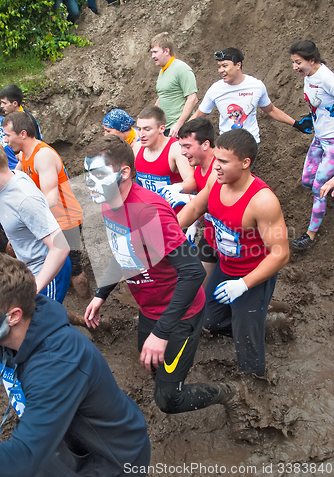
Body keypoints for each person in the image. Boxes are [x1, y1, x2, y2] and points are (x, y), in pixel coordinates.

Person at [83, 136, 262, 441]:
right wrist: (101, 294)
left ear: (124, 173)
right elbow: (123, 254)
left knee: (169, 400)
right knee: (150, 360)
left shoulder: (148, 211)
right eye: (88, 176)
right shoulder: (110, 205)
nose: (91, 184)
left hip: (180, 314)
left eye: (98, 176)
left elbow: (192, 274)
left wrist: (162, 332)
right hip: (151, 308)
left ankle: (231, 392)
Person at [0, 254, 150, 477]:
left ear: (13, 316)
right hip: (65, 444)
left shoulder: (56, 364)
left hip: (112, 461)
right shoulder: (21, 322)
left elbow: (23, 458)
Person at [178, 128, 290, 377]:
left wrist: (243, 285)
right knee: (209, 320)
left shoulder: (262, 201)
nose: (216, 166)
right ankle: (264, 319)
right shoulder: (216, 182)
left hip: (253, 276)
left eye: (224, 162)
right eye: (216, 158)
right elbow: (196, 206)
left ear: (245, 163)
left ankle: (254, 388)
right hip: (225, 267)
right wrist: (168, 234)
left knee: (247, 343)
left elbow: (280, 254)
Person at [1, 112, 89, 298]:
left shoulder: (43, 155)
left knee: (74, 268)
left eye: (8, 135)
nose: (6, 141)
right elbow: (13, 180)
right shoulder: (24, 155)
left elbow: (51, 198)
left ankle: (88, 306)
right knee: (58, 264)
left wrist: (27, 217)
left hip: (66, 220)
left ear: (22, 134)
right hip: (49, 221)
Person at [191, 47, 313, 144]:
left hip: (250, 144)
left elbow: (271, 110)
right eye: (219, 67)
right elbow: (200, 114)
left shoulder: (256, 86)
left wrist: (296, 124)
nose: (220, 70)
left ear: (238, 65)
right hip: (226, 144)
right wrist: (182, 133)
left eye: (225, 65)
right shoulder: (215, 89)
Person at [0, 146, 71, 302]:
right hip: (28, 268)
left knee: (44, 324)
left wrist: (34, 290)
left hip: (48, 271)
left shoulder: (24, 199)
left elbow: (60, 247)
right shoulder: (12, 178)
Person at [290, 40, 334, 250]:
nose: (294, 67)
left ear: (312, 59)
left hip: (332, 141)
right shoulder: (309, 76)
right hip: (320, 138)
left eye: (298, 62)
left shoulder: (327, 79)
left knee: (318, 188)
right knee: (307, 180)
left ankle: (310, 236)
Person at [178, 117, 217, 288]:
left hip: (234, 239)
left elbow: (201, 203)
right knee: (201, 289)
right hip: (211, 235)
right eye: (181, 146)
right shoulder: (199, 166)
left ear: (205, 145)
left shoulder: (219, 169)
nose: (182, 152)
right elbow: (199, 197)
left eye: (187, 146)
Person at [134, 106, 196, 209]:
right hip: (148, 212)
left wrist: (175, 188)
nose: (141, 134)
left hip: (174, 215)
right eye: (139, 129)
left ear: (161, 128)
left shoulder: (175, 149)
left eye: (147, 129)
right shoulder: (137, 147)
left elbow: (192, 183)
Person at [151, 32, 198, 137]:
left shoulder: (181, 69)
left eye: (155, 52)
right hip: (166, 128)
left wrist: (179, 125)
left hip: (179, 129)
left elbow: (192, 98)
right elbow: (163, 95)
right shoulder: (163, 70)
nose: (152, 56)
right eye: (152, 52)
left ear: (166, 51)